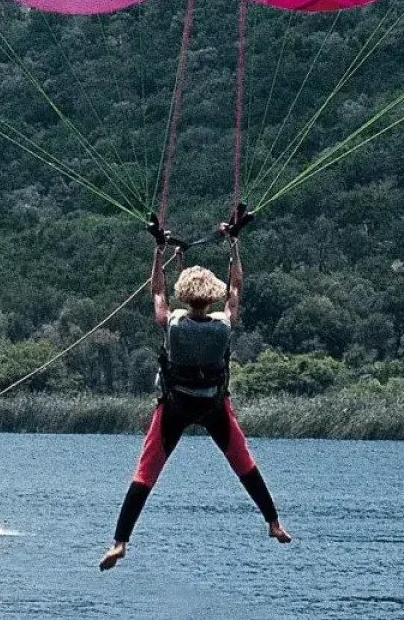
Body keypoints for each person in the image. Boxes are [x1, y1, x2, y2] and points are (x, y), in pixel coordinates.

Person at [99, 220, 291, 571]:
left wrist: (158, 251)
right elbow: (236, 286)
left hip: (175, 406)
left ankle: (119, 542)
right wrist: (234, 244)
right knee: (244, 464)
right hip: (214, 405)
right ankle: (274, 523)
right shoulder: (223, 324)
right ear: (211, 297)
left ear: (184, 296)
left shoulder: (172, 323)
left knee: (145, 473)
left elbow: (157, 294)